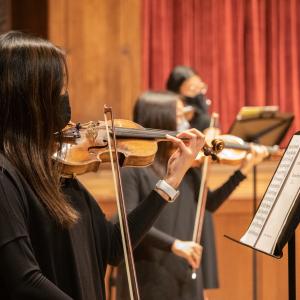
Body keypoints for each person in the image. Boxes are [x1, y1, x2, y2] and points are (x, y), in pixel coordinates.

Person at [0, 31, 206, 300]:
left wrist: (170, 181)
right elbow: (23, 280)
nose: (66, 98)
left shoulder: (59, 174)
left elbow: (113, 247)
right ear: (31, 99)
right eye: (60, 88)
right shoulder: (6, 178)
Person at [115, 91, 268, 300]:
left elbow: (209, 204)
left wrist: (243, 170)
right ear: (160, 120)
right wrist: (174, 245)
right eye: (179, 117)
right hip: (148, 277)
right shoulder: (133, 168)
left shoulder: (186, 165)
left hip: (184, 273)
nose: (186, 124)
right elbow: (126, 221)